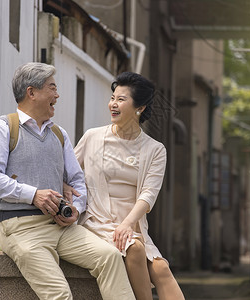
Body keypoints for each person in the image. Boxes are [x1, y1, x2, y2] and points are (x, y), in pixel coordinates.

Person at [0, 62, 135, 300]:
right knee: (59, 295)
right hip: (18, 228)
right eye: (52, 88)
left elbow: (78, 182)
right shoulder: (2, 128)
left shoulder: (59, 134)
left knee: (110, 257)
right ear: (32, 92)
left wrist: (75, 210)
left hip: (61, 228)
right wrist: (33, 194)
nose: (57, 94)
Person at [72, 72, 185, 300]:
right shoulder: (92, 137)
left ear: (139, 108)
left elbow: (148, 194)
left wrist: (127, 224)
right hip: (97, 221)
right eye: (113, 98)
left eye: (121, 100)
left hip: (132, 225)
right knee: (134, 248)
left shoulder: (155, 150)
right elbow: (70, 173)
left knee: (161, 268)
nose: (113, 104)